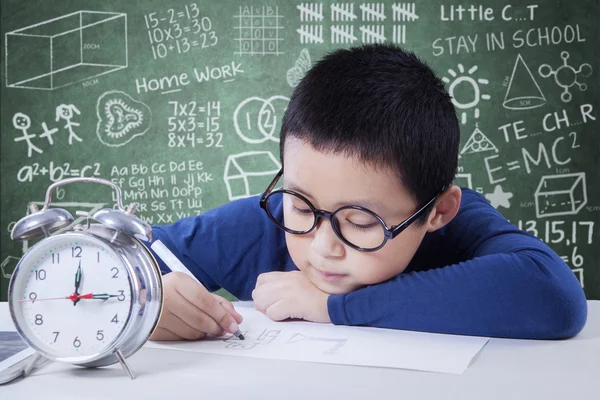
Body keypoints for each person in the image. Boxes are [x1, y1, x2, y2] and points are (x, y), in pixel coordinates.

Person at [145, 43, 587, 342]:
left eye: (360, 222)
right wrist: (146, 303)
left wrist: (334, 306)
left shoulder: (459, 223)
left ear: (437, 211)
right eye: (301, 206)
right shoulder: (260, 223)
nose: (322, 247)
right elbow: (108, 258)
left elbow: (554, 297)